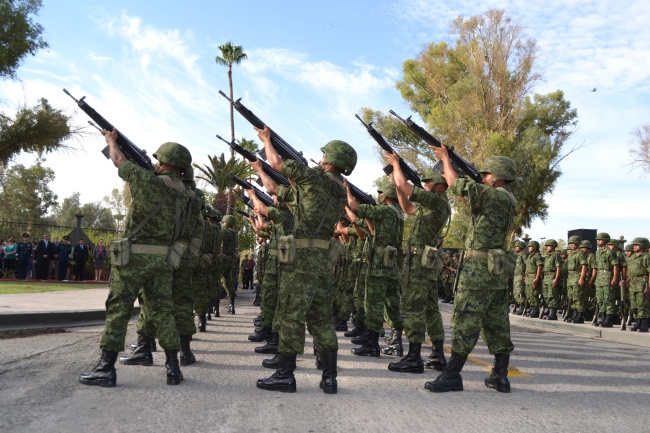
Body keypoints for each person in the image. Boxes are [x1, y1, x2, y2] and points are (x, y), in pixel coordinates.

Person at [79, 129, 192, 387]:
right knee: (164, 312)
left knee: (119, 309)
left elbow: (118, 161)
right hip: (162, 262)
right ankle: (173, 368)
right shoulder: (184, 195)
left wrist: (110, 141)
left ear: (162, 162)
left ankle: (106, 368)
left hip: (133, 260)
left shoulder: (147, 181)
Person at [253, 125, 356, 394]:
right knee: (322, 319)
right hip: (322, 260)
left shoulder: (315, 180)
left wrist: (266, 139)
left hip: (301, 261)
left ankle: (285, 375)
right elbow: (282, 191)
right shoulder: (338, 192)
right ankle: (330, 377)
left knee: (291, 315)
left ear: (331, 161)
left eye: (324, 157)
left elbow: (276, 162)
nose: (320, 160)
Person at [425, 147, 517, 393]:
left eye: (486, 175)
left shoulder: (495, 195)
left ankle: (452, 374)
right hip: (495, 270)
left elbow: (458, 186)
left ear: (497, 177)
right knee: (496, 322)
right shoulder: (507, 199)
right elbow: (471, 202)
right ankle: (500, 375)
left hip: (478, 270)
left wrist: (445, 159)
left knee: (465, 319)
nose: (483, 178)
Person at [384, 155, 450, 374]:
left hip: (419, 265)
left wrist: (395, 163)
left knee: (412, 308)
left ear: (440, 185)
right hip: (425, 264)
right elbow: (407, 208)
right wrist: (398, 187)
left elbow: (405, 184)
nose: (425, 185)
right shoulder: (433, 206)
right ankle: (437, 355)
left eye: (429, 182)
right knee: (431, 309)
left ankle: (414, 358)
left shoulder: (438, 200)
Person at [592, 233, 619, 327]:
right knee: (600, 299)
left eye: (600, 239)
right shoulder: (598, 252)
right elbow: (595, 267)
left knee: (608, 299)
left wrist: (615, 278)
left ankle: (609, 319)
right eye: (597, 239)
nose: (598, 241)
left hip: (607, 276)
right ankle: (603, 318)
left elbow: (615, 265)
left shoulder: (609, 252)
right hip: (599, 277)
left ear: (605, 240)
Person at [626, 238, 650, 332]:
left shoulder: (646, 257)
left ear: (643, 246)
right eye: (634, 244)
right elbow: (630, 272)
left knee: (642, 304)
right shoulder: (632, 257)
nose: (634, 246)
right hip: (632, 283)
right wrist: (626, 281)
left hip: (642, 282)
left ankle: (644, 324)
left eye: (637, 245)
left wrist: (649, 286)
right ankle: (637, 322)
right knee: (634, 304)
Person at [541, 239, 562, 320]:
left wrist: (556, 279)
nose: (547, 247)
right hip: (546, 277)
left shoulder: (556, 255)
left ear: (553, 246)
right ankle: (549, 310)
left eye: (548, 246)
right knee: (546, 295)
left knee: (552, 295)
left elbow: (558, 268)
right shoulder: (547, 257)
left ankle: (553, 314)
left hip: (552, 277)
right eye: (546, 246)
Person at [523, 241, 543, 318]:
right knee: (529, 294)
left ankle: (535, 311)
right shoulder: (530, 256)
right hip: (528, 277)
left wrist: (537, 278)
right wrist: (525, 276)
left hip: (533, 277)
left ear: (534, 247)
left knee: (534, 294)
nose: (528, 248)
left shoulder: (537, 256)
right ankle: (532, 308)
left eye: (530, 246)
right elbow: (527, 268)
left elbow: (540, 267)